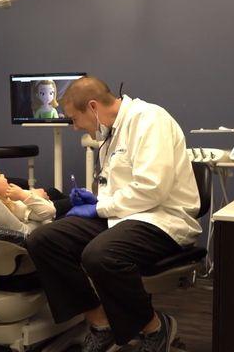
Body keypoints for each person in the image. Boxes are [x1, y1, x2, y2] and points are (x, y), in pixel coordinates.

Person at [25, 76, 202, 352]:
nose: (74, 127)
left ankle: (155, 328)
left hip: (163, 219)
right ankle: (100, 323)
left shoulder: (150, 120)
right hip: (125, 215)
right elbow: (123, 186)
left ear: (93, 107)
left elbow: (152, 189)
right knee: (44, 239)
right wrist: (98, 199)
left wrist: (98, 207)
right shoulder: (111, 131)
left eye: (74, 119)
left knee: (99, 255)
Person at [0, 162, 56, 233]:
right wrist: (25, 196)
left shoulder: (10, 198)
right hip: (49, 229)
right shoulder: (14, 207)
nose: (3, 175)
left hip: (45, 210)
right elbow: (50, 211)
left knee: (54, 191)